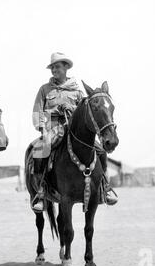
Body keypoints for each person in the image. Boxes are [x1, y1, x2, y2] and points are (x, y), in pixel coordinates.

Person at [31, 52, 118, 212]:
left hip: (74, 128)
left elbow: (86, 111)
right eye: (52, 68)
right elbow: (37, 111)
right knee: (39, 151)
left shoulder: (77, 90)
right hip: (54, 127)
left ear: (65, 68)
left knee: (100, 151)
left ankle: (105, 187)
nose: (54, 70)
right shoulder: (44, 89)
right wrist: (42, 127)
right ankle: (41, 193)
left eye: (57, 67)